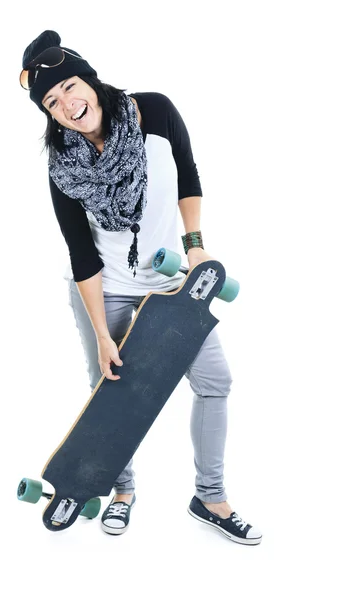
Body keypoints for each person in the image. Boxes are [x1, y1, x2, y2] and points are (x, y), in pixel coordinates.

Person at [20, 30, 262, 545]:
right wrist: (104, 336)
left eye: (68, 87)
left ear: (87, 77)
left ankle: (210, 497)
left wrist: (195, 244)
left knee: (215, 379)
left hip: (171, 278)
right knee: (112, 393)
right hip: (105, 287)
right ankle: (121, 491)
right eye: (51, 101)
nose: (66, 104)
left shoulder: (154, 111)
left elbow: (189, 176)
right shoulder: (63, 165)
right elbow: (80, 253)